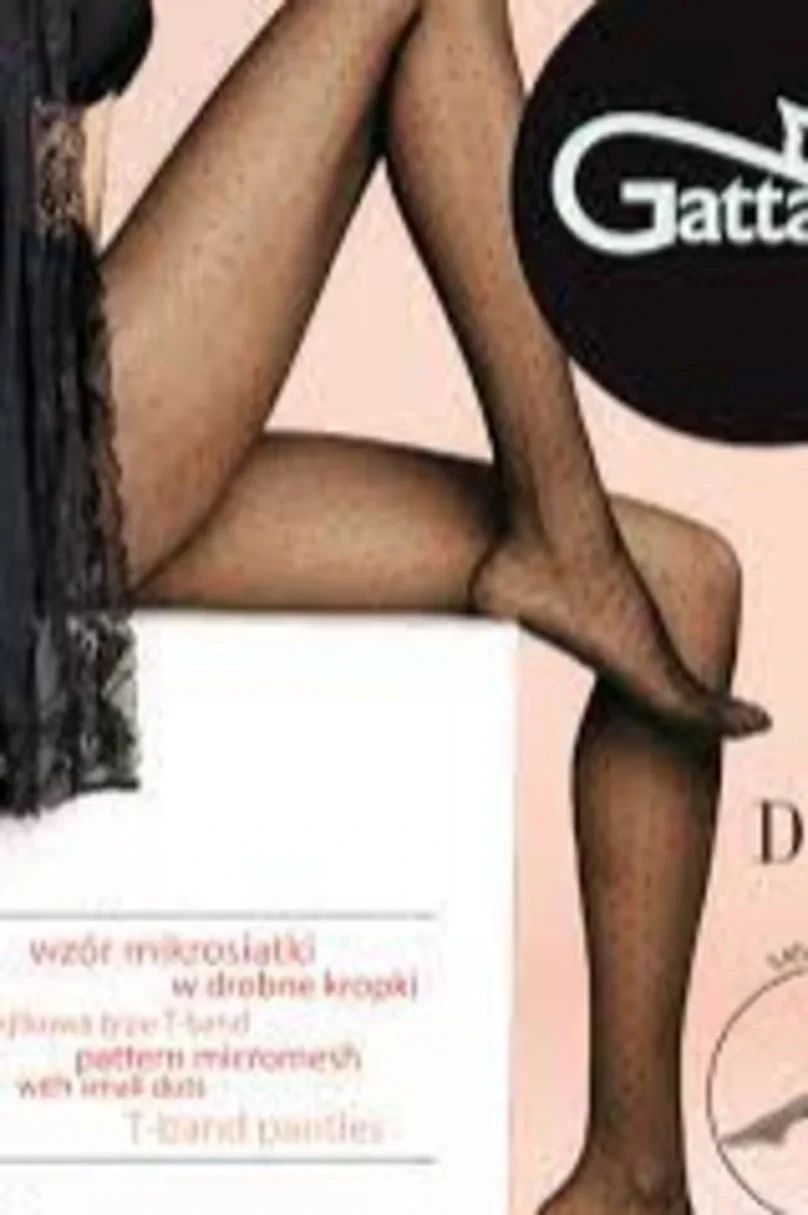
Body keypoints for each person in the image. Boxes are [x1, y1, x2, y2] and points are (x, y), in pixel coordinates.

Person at [19, 0, 773, 1208]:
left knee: (684, 586)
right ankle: (559, 536)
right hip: (28, 461)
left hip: (57, 443)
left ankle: (637, 1177)